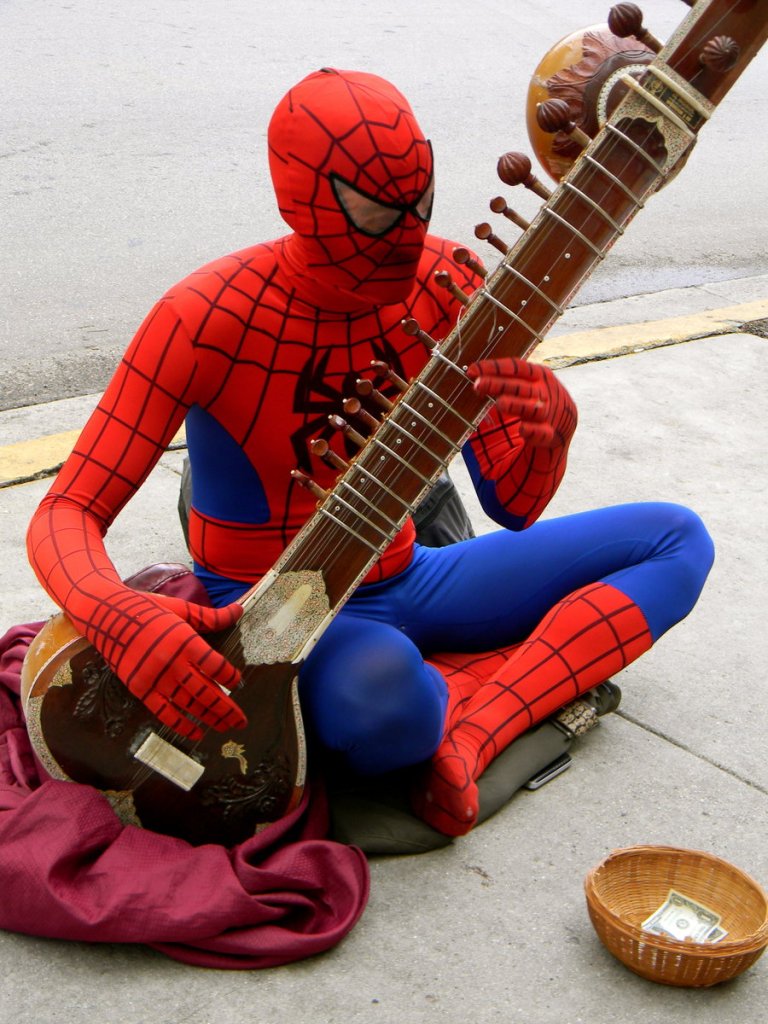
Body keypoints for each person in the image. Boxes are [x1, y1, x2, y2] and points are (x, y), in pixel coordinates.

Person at [26, 68, 714, 838]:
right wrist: (115, 614)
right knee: (391, 700)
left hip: (411, 574)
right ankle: (463, 709)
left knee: (676, 539)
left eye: (420, 204)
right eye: (376, 212)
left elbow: (513, 507)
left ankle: (480, 728)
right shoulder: (205, 317)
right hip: (275, 611)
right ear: (299, 197)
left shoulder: (449, 280)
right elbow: (66, 510)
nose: (409, 233)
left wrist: (552, 435)